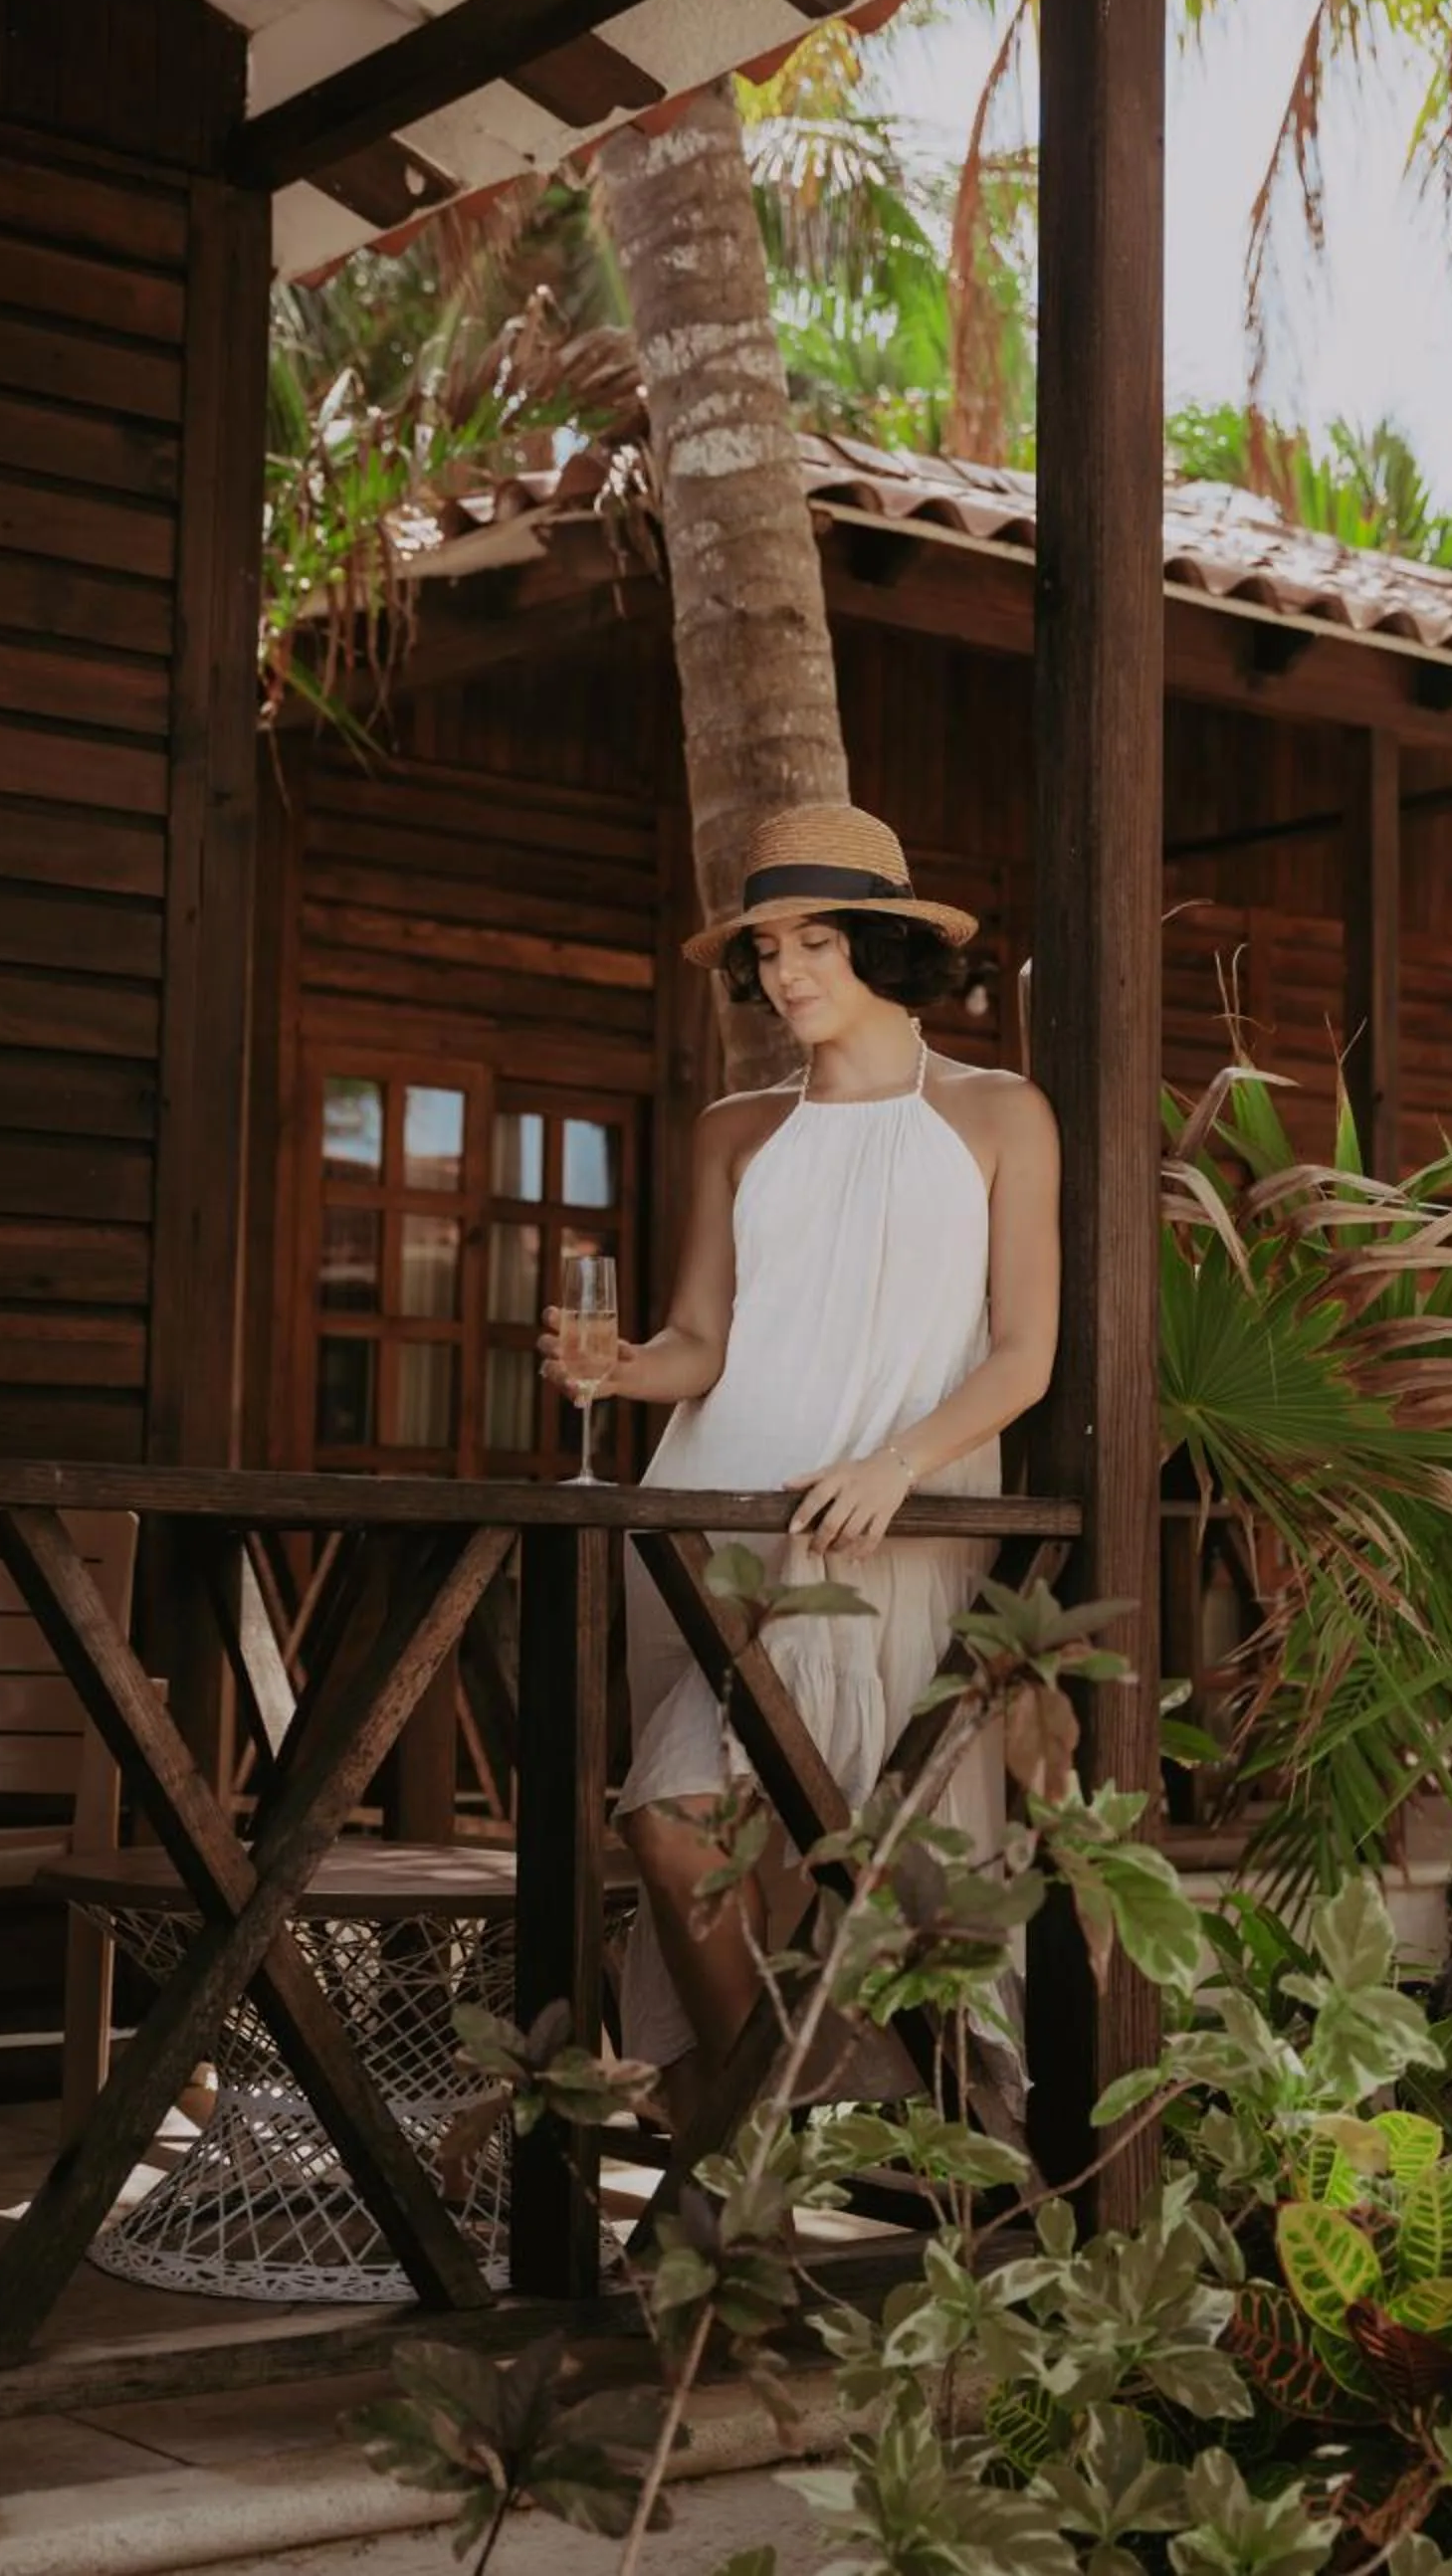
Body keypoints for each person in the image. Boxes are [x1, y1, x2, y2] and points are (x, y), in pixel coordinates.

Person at [540, 802, 1060, 2127]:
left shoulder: (1001, 1113)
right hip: (715, 1525)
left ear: (884, 947)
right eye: (767, 950)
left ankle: (752, 2149)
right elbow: (701, 1342)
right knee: (684, 1827)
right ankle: (755, 2141)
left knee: (774, 1837)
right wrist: (624, 1369)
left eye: (816, 943)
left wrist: (899, 1463)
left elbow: (1024, 1355)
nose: (786, 974)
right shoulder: (734, 1128)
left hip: (879, 1529)